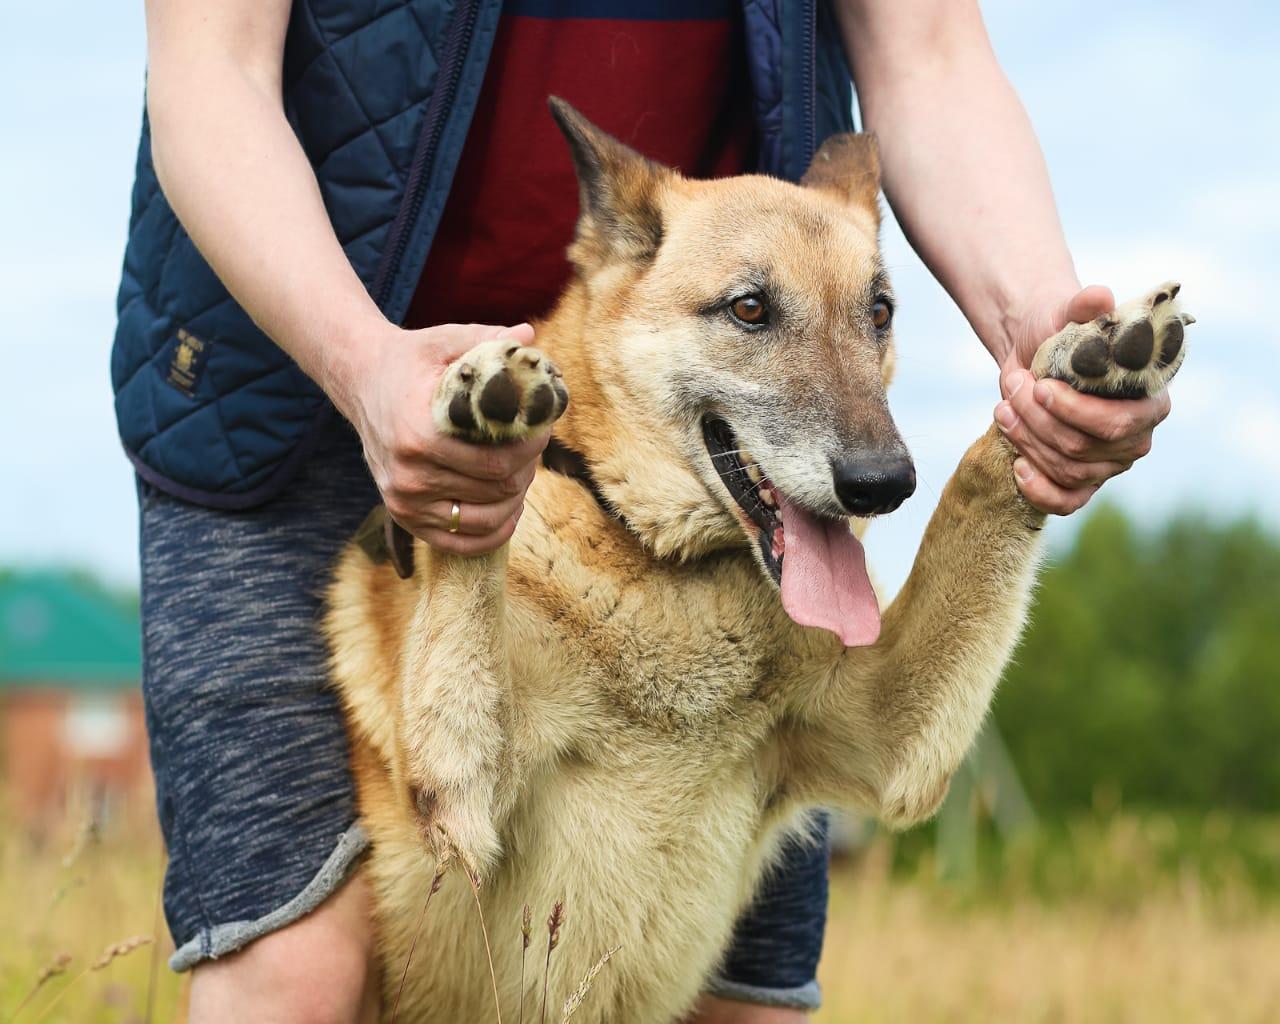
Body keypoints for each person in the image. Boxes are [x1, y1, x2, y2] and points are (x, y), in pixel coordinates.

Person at [116, 1, 1170, 1021]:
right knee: (295, 974)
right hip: (284, 383)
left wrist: (1039, 374)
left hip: (684, 438)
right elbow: (209, 66)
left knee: (744, 1006)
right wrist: (363, 366)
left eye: (875, 314)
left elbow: (930, 50)